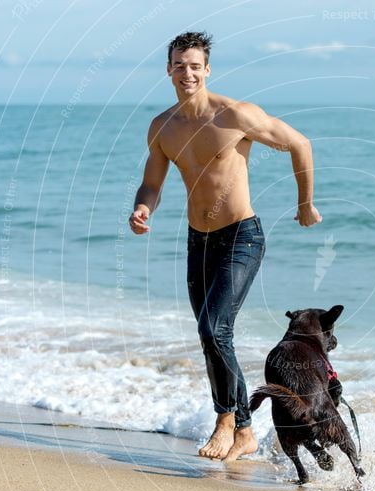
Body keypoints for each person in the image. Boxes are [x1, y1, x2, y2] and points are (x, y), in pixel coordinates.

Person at [128, 31, 321, 461]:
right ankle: (243, 429)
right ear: (168, 70)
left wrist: (305, 205)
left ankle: (230, 422)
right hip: (199, 242)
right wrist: (144, 208)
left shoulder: (234, 115)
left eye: (195, 65)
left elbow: (299, 143)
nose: (187, 72)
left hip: (241, 236)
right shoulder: (162, 127)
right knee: (212, 336)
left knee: (214, 328)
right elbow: (152, 183)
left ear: (207, 69)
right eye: (179, 65)